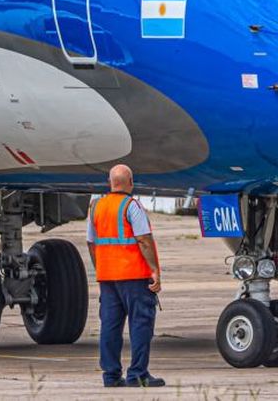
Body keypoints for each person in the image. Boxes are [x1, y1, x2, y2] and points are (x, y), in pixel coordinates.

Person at [87, 164, 164, 388]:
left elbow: (92, 243)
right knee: (141, 325)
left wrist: (101, 267)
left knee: (110, 326)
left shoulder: (96, 207)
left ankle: (110, 376)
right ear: (130, 182)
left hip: (108, 278)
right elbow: (143, 240)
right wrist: (154, 270)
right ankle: (137, 374)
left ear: (110, 183)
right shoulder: (131, 206)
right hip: (134, 276)